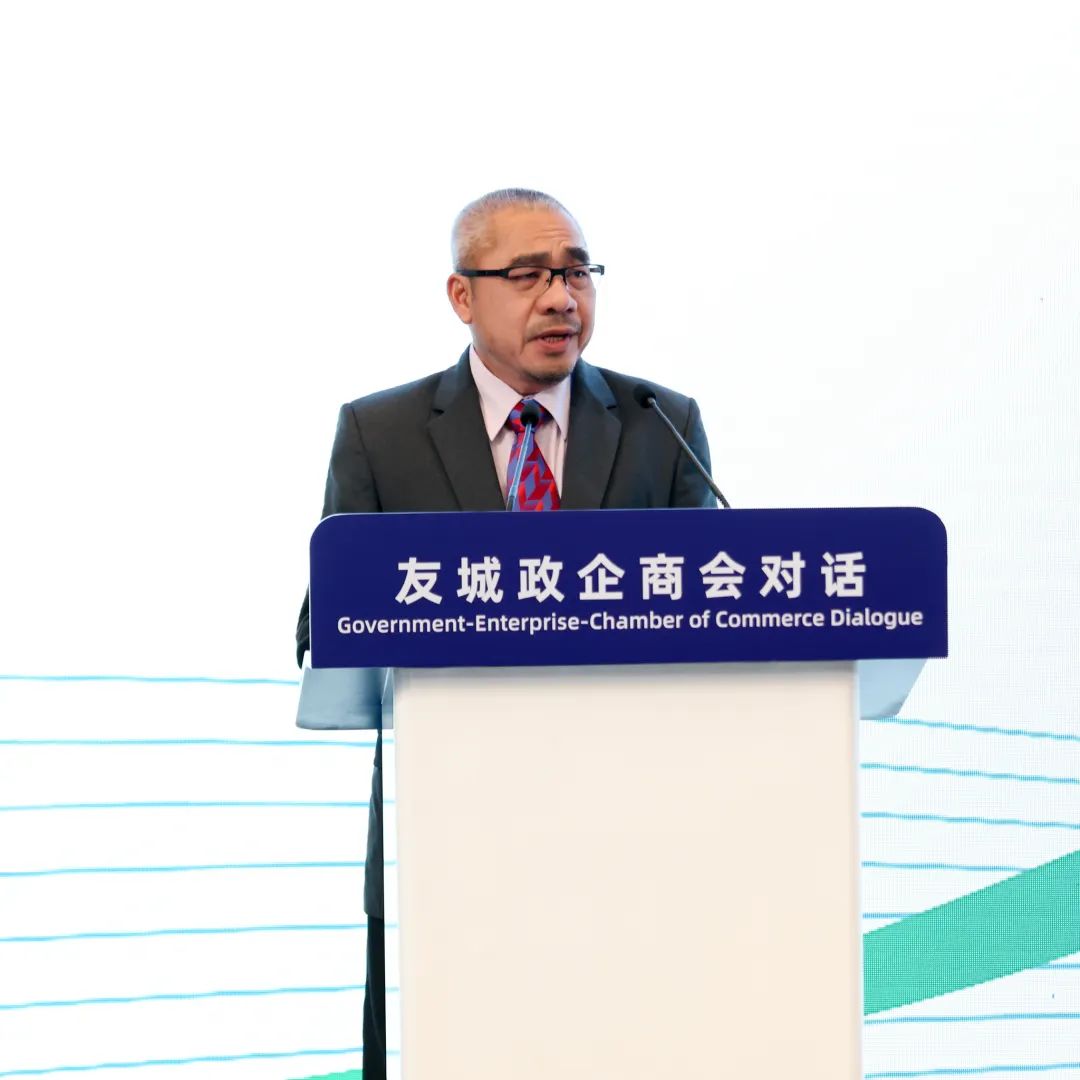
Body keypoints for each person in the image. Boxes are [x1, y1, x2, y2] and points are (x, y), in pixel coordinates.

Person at [296, 188, 716, 1080]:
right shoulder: (381, 432)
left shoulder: (660, 424)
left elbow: (716, 615)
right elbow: (322, 621)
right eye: (528, 275)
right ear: (462, 295)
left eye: (577, 273)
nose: (561, 298)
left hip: (634, 831)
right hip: (450, 835)